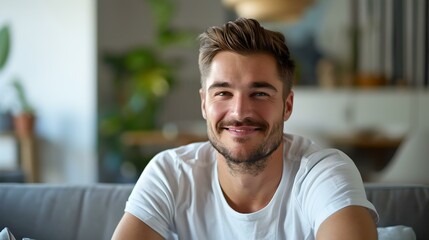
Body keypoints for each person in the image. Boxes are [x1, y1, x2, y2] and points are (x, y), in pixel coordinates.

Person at [112, 18, 378, 240]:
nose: (239, 112)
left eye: (260, 93)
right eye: (223, 93)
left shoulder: (323, 174)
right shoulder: (171, 173)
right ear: (204, 104)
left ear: (287, 106)